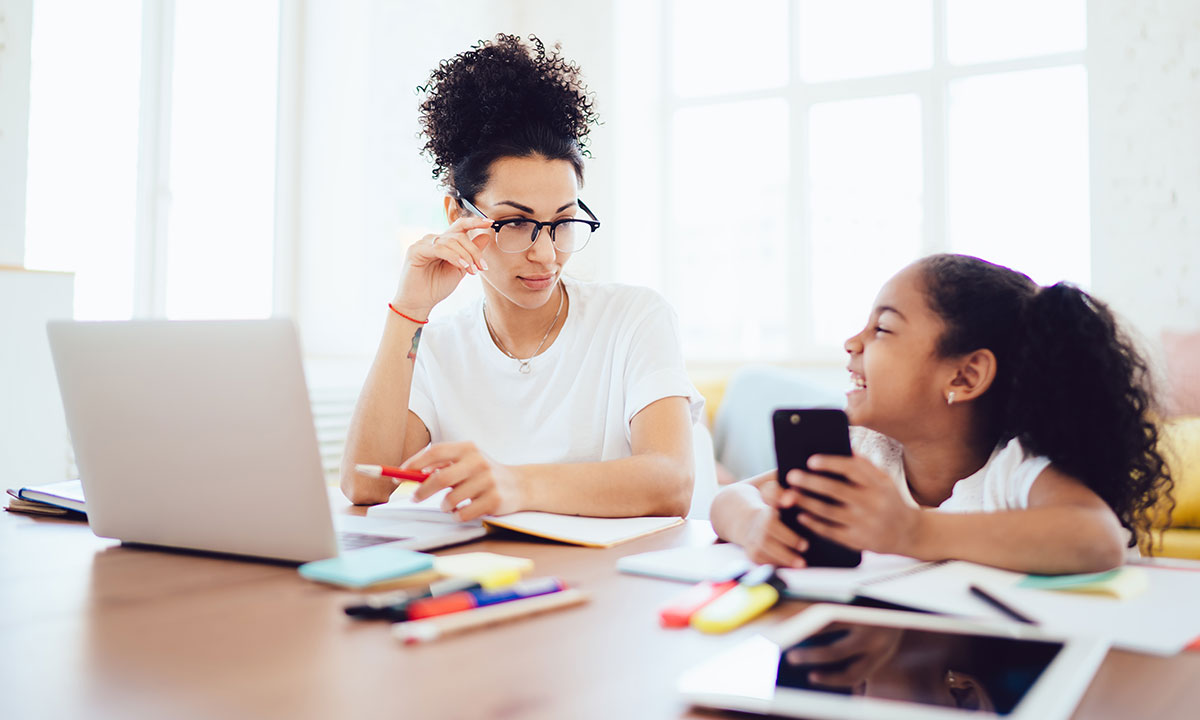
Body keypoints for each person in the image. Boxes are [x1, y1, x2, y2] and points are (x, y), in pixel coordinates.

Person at [341, 34, 701, 519]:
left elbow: (672, 481)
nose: (546, 254)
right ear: (458, 214)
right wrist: (408, 310)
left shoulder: (632, 317)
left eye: (563, 223)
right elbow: (365, 483)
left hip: (607, 584)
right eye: (515, 223)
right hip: (483, 579)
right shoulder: (436, 346)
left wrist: (517, 484)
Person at [710, 254, 1174, 575]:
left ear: (964, 377)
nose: (852, 342)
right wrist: (752, 524)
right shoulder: (864, 456)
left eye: (883, 328)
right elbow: (729, 499)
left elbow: (1097, 538)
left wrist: (913, 530)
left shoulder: (1011, 470)